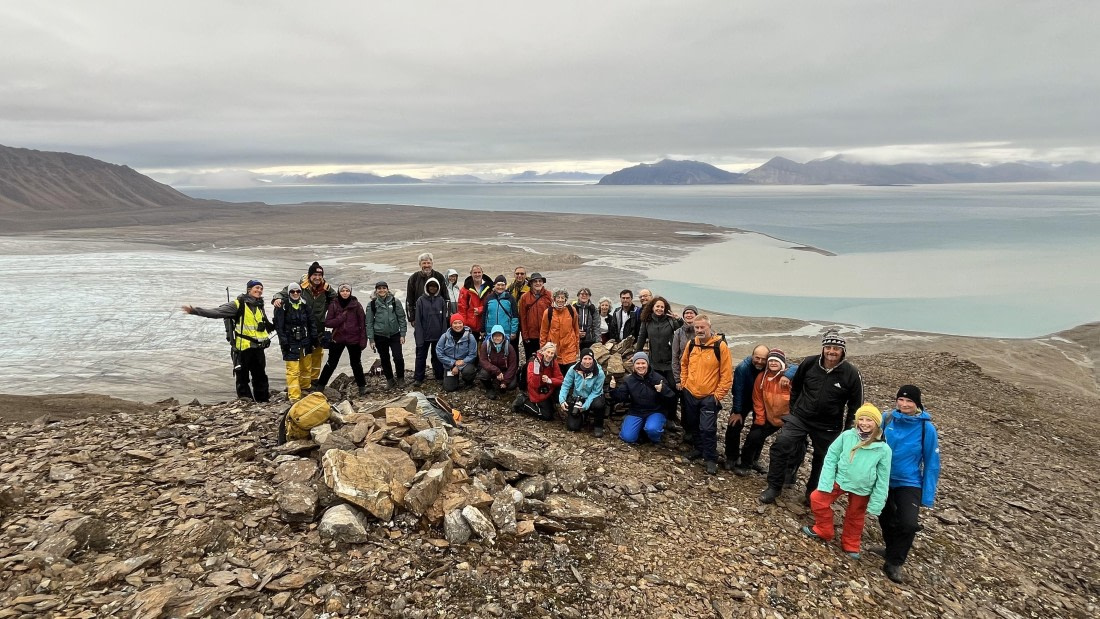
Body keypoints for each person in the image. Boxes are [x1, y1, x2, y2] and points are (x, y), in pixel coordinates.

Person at [760, 329, 864, 505]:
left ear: (843, 351)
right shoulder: (809, 363)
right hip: (801, 417)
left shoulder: (851, 373)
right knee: (781, 444)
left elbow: (856, 405)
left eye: (836, 348)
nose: (831, 351)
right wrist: (794, 410)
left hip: (829, 425)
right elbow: (797, 386)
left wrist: (848, 431)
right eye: (828, 347)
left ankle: (812, 493)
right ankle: (774, 486)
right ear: (823, 348)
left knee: (824, 459)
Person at [801, 403, 892, 560]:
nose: (864, 423)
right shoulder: (846, 436)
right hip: (840, 479)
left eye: (869, 420)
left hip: (863, 487)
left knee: (856, 516)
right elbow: (831, 457)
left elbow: (883, 478)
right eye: (861, 419)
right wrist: (826, 481)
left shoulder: (884, 449)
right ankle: (824, 529)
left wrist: (877, 503)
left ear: (877, 423)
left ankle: (851, 544)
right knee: (817, 498)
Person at [874, 385, 941, 584]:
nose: (904, 404)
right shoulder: (887, 419)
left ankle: (895, 562)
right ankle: (890, 549)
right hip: (883, 478)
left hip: (909, 482)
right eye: (901, 400)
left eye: (909, 401)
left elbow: (931, 463)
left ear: (917, 404)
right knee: (885, 517)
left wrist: (927, 496)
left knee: (908, 523)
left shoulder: (926, 428)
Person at [182, 279, 273, 402]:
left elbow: (266, 326)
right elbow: (216, 312)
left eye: (261, 288)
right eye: (257, 288)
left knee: (261, 376)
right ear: (249, 289)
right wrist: (195, 311)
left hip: (258, 348)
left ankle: (263, 401)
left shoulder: (259, 306)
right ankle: (246, 403)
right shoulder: (237, 304)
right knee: (242, 378)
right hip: (243, 349)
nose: (259, 290)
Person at [727, 344, 797, 471]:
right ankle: (731, 457)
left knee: (758, 432)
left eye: (764, 359)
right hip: (745, 400)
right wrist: (737, 411)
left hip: (764, 402)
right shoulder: (743, 368)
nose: (760, 361)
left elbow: (794, 367)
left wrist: (788, 375)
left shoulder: (775, 368)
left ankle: (753, 460)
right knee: (734, 425)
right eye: (757, 358)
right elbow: (738, 390)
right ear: (752, 356)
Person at [679, 314, 733, 475]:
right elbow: (684, 364)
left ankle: (710, 458)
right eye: (697, 327)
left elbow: (726, 374)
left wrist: (717, 396)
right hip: (690, 393)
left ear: (709, 327)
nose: (700, 330)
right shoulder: (691, 344)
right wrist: (684, 383)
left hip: (709, 396)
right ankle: (698, 449)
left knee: (708, 428)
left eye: (703, 327)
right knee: (693, 424)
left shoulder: (720, 346)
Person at [273, 262, 336, 389]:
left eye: (320, 275)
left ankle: (314, 380)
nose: (317, 277)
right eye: (314, 274)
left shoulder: (326, 289)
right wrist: (277, 299)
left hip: (319, 327)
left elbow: (336, 299)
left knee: (318, 355)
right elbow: (283, 293)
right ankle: (302, 384)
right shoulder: (300, 286)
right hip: (303, 330)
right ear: (309, 275)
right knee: (305, 357)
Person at [635, 296, 683, 421]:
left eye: (662, 307)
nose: (660, 309)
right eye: (657, 306)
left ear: (665, 308)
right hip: (654, 363)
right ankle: (657, 415)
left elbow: (681, 333)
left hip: (670, 363)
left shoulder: (670, 321)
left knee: (672, 389)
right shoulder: (647, 321)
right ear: (652, 307)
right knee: (654, 389)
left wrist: (679, 320)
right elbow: (641, 338)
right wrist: (636, 355)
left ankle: (671, 417)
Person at [610, 351, 675, 444]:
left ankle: (654, 438)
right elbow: (621, 397)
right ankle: (641, 432)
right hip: (636, 411)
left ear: (648, 364)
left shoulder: (658, 378)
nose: (641, 366)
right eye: (638, 363)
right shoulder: (629, 380)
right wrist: (612, 389)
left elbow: (671, 398)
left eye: (643, 363)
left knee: (653, 429)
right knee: (628, 438)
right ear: (634, 365)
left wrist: (663, 390)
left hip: (655, 411)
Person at [316, 283, 368, 396]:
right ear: (339, 292)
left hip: (353, 339)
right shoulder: (334, 304)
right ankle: (320, 387)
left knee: (356, 364)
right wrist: (340, 318)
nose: (345, 293)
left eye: (347, 291)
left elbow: (363, 324)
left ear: (350, 292)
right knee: (331, 363)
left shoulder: (357, 305)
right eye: (342, 291)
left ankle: (362, 387)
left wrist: (363, 340)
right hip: (337, 339)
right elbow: (328, 322)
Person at [274, 282, 318, 401]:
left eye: (297, 291)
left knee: (306, 367)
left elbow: (311, 322)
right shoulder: (282, 306)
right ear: (288, 293)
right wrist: (284, 342)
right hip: (290, 342)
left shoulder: (305, 305)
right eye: (292, 291)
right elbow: (279, 326)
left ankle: (305, 388)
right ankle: (294, 396)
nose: (295, 293)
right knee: (293, 370)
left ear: (300, 292)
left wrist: (314, 338)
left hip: (305, 340)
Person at [365, 281, 407, 388]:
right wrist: (371, 339)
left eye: (384, 288)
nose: (382, 290)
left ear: (387, 289)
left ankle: (401, 378)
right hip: (379, 336)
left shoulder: (395, 301)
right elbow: (368, 323)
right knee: (384, 358)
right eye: (379, 288)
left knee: (398, 357)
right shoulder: (372, 304)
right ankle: (390, 380)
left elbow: (401, 318)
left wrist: (402, 334)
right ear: (376, 290)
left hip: (394, 334)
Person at [559, 348, 607, 437]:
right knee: (572, 427)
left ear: (593, 359)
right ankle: (583, 417)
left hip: (593, 397)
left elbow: (596, 392)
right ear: (581, 359)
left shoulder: (599, 373)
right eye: (585, 359)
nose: (587, 362)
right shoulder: (573, 369)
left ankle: (598, 425)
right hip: (578, 397)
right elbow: (566, 385)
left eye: (590, 359)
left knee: (599, 404)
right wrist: (562, 399)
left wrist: (585, 406)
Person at [513, 342, 563, 421]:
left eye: (552, 353)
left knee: (551, 411)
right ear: (543, 351)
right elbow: (534, 385)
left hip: (547, 390)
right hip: (535, 391)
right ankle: (524, 402)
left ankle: (545, 404)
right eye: (548, 352)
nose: (549, 355)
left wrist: (549, 380)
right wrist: (537, 373)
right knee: (547, 416)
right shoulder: (533, 363)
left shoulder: (553, 362)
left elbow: (560, 379)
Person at [412, 277, 448, 387]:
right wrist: (419, 336)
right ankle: (418, 378)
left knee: (437, 356)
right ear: (427, 287)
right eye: (430, 286)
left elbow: (444, 320)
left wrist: (444, 335)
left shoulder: (441, 300)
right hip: (424, 335)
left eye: (435, 286)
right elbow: (417, 320)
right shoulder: (420, 301)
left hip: (438, 335)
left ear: (438, 288)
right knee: (420, 356)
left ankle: (439, 376)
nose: (433, 288)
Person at [671, 305, 698, 438]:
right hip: (683, 374)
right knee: (685, 403)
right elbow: (675, 357)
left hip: (699, 375)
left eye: (691, 313)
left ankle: (698, 431)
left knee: (697, 404)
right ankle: (687, 431)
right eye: (686, 313)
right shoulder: (678, 333)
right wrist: (677, 379)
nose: (688, 315)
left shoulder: (701, 331)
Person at [541, 289, 580, 374]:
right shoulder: (548, 312)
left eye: (563, 298)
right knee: (557, 374)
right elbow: (543, 332)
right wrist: (543, 349)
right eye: (558, 297)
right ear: (554, 299)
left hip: (570, 347)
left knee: (570, 374)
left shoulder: (572, 310)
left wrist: (577, 348)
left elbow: (576, 330)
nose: (560, 300)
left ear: (566, 299)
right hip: (554, 349)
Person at [437, 314, 479, 392]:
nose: (458, 325)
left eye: (460, 323)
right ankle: (453, 379)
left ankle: (468, 382)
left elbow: (473, 354)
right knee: (449, 388)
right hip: (450, 365)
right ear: (451, 324)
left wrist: (459, 365)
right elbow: (439, 353)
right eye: (455, 323)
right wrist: (453, 364)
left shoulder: (470, 337)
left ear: (463, 324)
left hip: (464, 363)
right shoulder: (444, 336)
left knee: (469, 371)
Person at [477, 325, 519, 400]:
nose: (497, 338)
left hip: (504, 370)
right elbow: (483, 360)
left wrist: (505, 381)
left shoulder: (509, 347)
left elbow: (513, 365)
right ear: (492, 336)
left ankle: (501, 384)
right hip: (492, 370)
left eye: (499, 336)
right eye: (495, 336)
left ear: (503, 336)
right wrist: (496, 371)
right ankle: (489, 388)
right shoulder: (486, 345)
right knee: (483, 374)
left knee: (512, 385)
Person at [406, 252, 450, 324]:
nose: (426, 265)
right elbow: (409, 300)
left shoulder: (439, 276)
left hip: (437, 315)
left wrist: (446, 316)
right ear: (420, 264)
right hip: (420, 316)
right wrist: (412, 318)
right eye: (424, 263)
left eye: (428, 263)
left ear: (432, 264)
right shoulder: (413, 278)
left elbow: (446, 298)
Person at [519, 272, 552, 360]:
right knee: (531, 360)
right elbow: (523, 317)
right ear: (531, 284)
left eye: (540, 281)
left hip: (545, 335)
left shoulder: (549, 295)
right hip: (531, 335)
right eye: (535, 281)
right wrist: (525, 336)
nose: (538, 283)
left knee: (546, 359)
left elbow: (553, 316)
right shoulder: (524, 297)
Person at [457, 264, 494, 340]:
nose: (477, 274)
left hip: (486, 324)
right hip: (470, 326)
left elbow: (493, 304)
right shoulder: (465, 289)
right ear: (471, 274)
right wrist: (464, 325)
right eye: (475, 273)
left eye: (479, 272)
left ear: (482, 273)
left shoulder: (490, 288)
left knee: (485, 350)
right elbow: (462, 309)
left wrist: (481, 309)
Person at [483, 275, 521, 342]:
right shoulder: (489, 298)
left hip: (505, 332)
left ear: (505, 286)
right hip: (490, 331)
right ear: (494, 285)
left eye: (502, 285)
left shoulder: (510, 298)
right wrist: (483, 329)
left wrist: (513, 331)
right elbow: (485, 315)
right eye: (498, 285)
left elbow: (515, 316)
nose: (500, 287)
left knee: (505, 351)